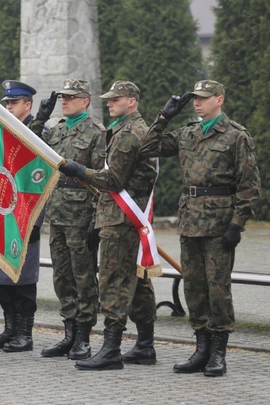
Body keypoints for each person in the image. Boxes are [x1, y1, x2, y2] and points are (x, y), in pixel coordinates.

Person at [140, 79, 261, 377]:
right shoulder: (188, 133)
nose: (197, 103)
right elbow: (149, 146)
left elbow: (249, 187)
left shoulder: (236, 136)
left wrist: (237, 225)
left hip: (220, 223)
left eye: (204, 98)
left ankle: (219, 352)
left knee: (217, 288)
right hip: (191, 219)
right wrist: (164, 117)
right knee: (194, 286)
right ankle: (201, 348)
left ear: (219, 100)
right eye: (195, 98)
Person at [59, 80, 158, 371]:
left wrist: (79, 170)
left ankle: (111, 349)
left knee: (114, 281)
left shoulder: (130, 132)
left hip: (121, 218)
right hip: (123, 217)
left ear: (132, 102)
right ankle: (144, 345)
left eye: (117, 99)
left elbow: (113, 180)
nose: (111, 103)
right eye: (110, 99)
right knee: (138, 282)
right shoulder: (126, 129)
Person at [28, 79, 105, 360]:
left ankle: (84, 336)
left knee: (84, 277)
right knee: (62, 276)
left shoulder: (96, 132)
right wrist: (41, 117)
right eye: (63, 97)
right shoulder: (58, 129)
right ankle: (69, 333)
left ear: (85, 101)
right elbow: (32, 146)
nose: (65, 101)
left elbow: (101, 179)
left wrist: (95, 222)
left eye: (71, 97)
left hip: (82, 214)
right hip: (58, 212)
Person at [0, 81, 43, 352]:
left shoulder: (39, 134)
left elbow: (43, 182)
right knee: (3, 274)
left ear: (28, 105)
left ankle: (25, 334)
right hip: (4, 215)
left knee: (24, 278)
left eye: (13, 103)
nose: (8, 107)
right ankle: (9, 329)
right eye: (6, 103)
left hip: (27, 215)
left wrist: (37, 220)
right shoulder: (3, 132)